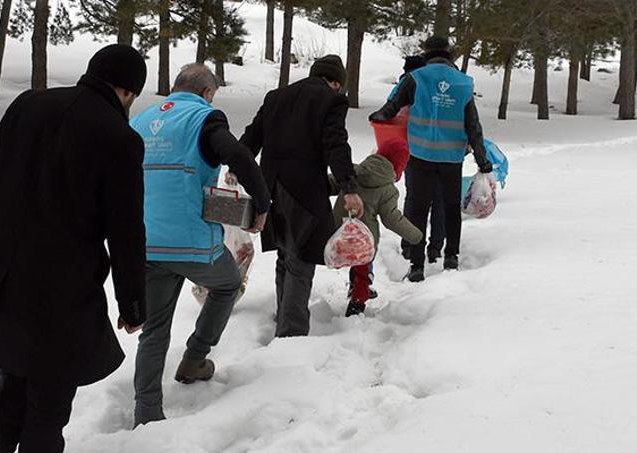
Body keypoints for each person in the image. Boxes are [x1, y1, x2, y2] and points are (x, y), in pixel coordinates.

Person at [0, 45, 149, 453]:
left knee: (20, 372)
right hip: (64, 292)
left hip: (2, 276)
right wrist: (132, 302)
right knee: (49, 401)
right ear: (126, 91)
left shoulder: (29, 104)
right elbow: (125, 231)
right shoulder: (119, 139)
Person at [129, 64, 270, 427]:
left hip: (145, 242)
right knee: (226, 285)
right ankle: (195, 358)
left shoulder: (141, 120)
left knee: (154, 330)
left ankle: (146, 412)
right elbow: (238, 156)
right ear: (207, 92)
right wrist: (263, 204)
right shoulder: (204, 119)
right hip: (193, 245)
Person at [240, 54, 364, 338]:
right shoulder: (331, 99)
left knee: (285, 255)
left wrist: (238, 168)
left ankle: (283, 317)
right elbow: (336, 145)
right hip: (304, 191)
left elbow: (250, 139)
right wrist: (349, 187)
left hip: (269, 188)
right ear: (335, 82)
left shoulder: (276, 97)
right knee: (300, 260)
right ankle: (292, 334)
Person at [369, 36, 493, 283]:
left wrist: (378, 118)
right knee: (449, 208)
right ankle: (451, 257)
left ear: (425, 53)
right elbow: (473, 127)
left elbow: (390, 109)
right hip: (451, 157)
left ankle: (416, 265)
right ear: (448, 54)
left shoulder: (416, 78)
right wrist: (482, 160)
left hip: (420, 155)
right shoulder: (464, 83)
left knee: (417, 208)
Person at [330, 138, 423, 317]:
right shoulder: (387, 190)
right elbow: (392, 219)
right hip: (364, 241)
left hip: (338, 233)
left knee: (351, 258)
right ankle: (357, 301)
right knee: (362, 269)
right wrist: (416, 236)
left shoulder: (351, 172)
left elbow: (330, 183)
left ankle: (353, 287)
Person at [394, 55, 447, 264]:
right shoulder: (426, 87)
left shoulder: (401, 87)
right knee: (438, 200)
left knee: (414, 198)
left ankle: (410, 245)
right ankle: (435, 248)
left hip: (409, 150)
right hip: (437, 151)